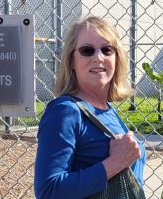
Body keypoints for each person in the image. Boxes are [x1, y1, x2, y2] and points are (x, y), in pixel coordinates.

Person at [34, 16, 146, 198]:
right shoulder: (65, 111)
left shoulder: (107, 109)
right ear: (71, 61)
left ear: (117, 58)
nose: (98, 57)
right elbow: (48, 191)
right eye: (87, 51)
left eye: (107, 49)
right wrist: (114, 163)